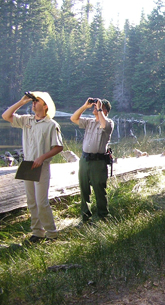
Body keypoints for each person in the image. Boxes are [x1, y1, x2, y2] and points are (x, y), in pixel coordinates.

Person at [2, 91, 63, 243]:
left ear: (45, 106)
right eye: (33, 101)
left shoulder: (51, 125)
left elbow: (58, 147)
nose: (34, 103)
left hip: (41, 166)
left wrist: (42, 158)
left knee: (42, 202)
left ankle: (52, 234)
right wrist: (21, 102)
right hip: (27, 165)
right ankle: (37, 233)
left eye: (37, 101)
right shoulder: (26, 120)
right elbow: (6, 116)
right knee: (31, 202)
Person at [70, 98, 114, 223]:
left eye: (98, 107)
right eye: (95, 107)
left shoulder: (109, 123)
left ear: (105, 110)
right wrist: (85, 106)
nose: (95, 108)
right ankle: (85, 217)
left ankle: (103, 216)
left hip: (98, 162)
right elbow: (73, 118)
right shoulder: (89, 122)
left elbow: (104, 125)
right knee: (84, 189)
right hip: (84, 160)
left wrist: (99, 108)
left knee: (99, 189)